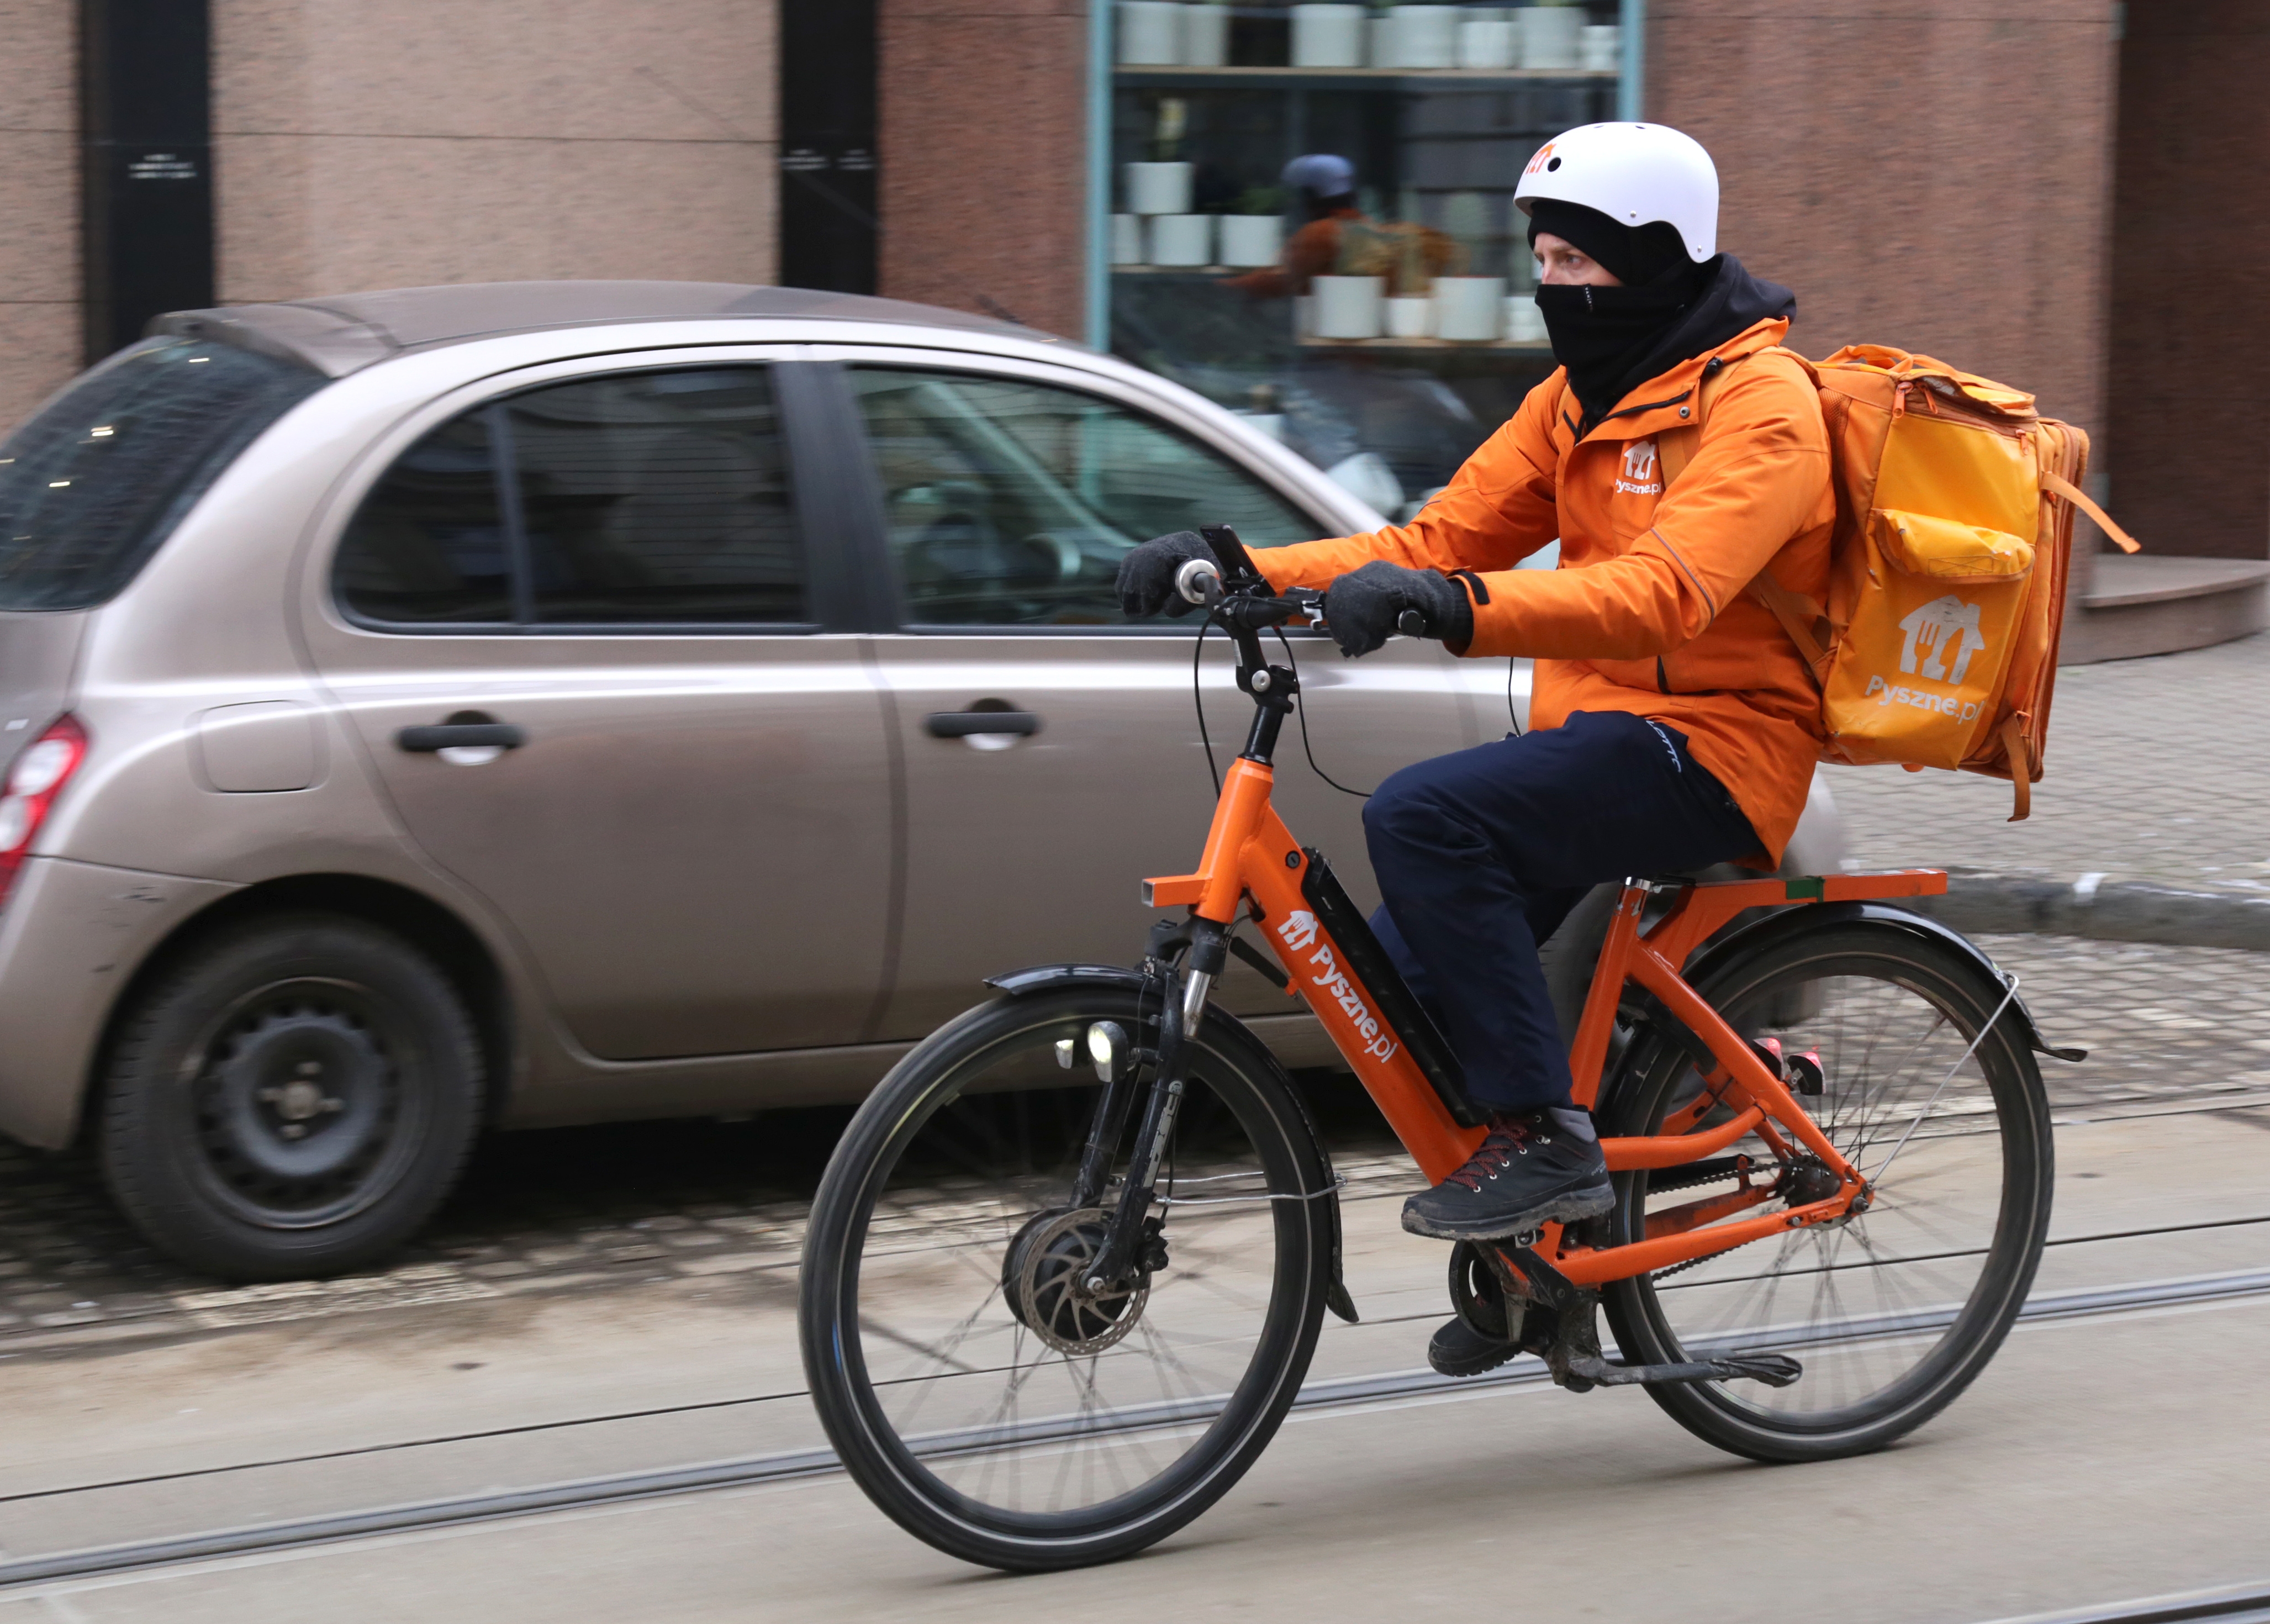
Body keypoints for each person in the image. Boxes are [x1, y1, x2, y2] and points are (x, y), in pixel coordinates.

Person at [1116, 122, 1836, 1370]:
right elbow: (1440, 538)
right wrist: (1231, 566)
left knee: (1424, 816)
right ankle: (1546, 1262)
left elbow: (1668, 594)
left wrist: (1460, 612)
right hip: (1599, 738)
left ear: (1658, 257)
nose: (1553, 287)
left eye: (1578, 262)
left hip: (1723, 747)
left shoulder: (1765, 405)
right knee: (1395, 993)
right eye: (1543, 260)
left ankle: (1548, 1146)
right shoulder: (1576, 401)